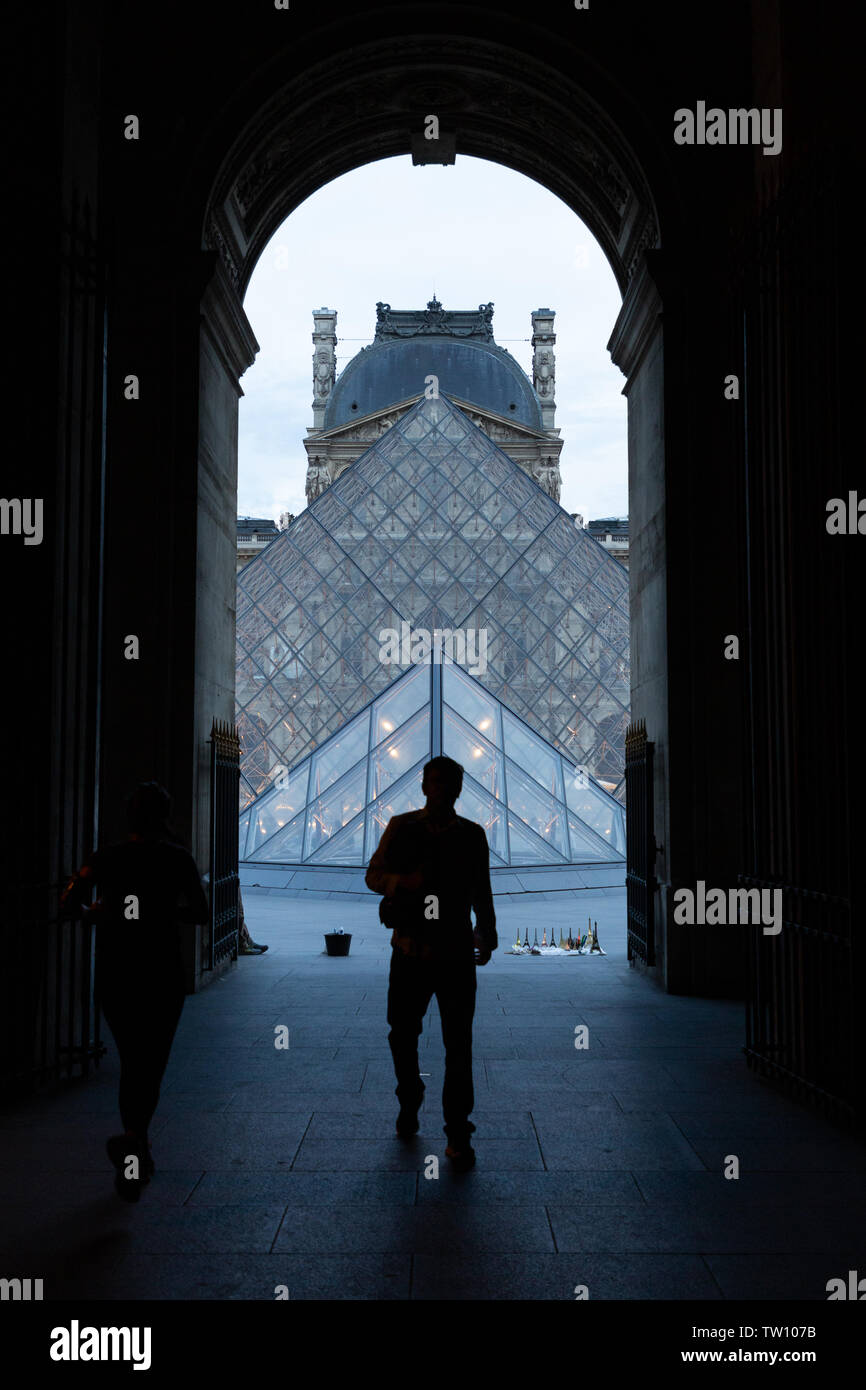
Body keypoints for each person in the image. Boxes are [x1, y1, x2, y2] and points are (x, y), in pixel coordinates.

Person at [60, 783, 209, 1201]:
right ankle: (133, 1145)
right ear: (166, 814)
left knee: (131, 1062)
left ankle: (135, 1147)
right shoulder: (177, 858)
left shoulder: (105, 857)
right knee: (151, 1064)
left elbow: (69, 904)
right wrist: (162, 912)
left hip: (116, 971)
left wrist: (99, 915)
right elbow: (200, 912)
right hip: (161, 972)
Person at [365, 755, 497, 1171]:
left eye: (446, 783)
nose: (439, 790)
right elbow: (373, 875)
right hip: (411, 950)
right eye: (433, 782)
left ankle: (458, 1130)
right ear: (424, 787)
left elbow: (482, 890)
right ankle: (410, 1096)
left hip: (453, 953)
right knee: (402, 1034)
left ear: (457, 790)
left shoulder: (473, 836)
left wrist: (487, 932)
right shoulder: (401, 827)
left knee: (458, 1044)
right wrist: (402, 883)